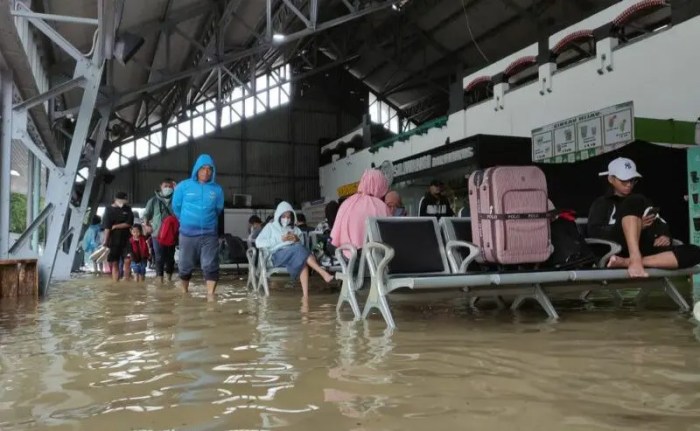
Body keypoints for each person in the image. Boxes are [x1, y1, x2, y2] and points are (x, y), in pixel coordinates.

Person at [588, 157, 700, 278]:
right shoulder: (602, 203)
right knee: (634, 200)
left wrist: (664, 236)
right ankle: (634, 258)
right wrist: (637, 227)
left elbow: (658, 222)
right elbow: (595, 234)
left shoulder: (642, 201)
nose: (629, 185)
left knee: (695, 252)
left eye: (632, 180)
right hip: (616, 249)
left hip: (642, 250)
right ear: (611, 179)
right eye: (624, 181)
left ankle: (629, 262)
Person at [255, 201, 335, 297]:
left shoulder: (295, 229)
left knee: (302, 260)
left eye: (289, 217)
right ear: (278, 215)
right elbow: (258, 242)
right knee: (300, 252)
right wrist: (280, 239)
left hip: (294, 254)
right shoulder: (270, 227)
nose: (286, 219)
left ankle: (305, 296)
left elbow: (301, 245)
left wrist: (297, 239)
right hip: (276, 256)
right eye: (284, 216)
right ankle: (322, 272)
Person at [173, 154, 225, 296]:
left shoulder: (217, 190)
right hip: (187, 234)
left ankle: (210, 297)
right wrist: (186, 221)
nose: (206, 172)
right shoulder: (184, 186)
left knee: (210, 265)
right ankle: (184, 292)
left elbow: (218, 209)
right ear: (197, 169)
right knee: (185, 265)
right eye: (203, 168)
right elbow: (176, 207)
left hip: (209, 234)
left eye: (209, 169)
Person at [331, 169, 392, 253]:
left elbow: (334, 241)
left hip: (349, 261)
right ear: (380, 185)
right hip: (378, 261)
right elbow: (391, 239)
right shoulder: (382, 207)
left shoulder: (346, 204)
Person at [143, 178, 176, 283]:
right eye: (165, 186)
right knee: (159, 258)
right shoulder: (153, 200)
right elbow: (146, 215)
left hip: (172, 234)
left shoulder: (177, 199)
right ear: (160, 186)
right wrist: (146, 225)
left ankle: (169, 278)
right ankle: (160, 280)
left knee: (170, 258)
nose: (168, 188)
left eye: (170, 186)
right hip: (157, 234)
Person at [102, 192, 134, 282]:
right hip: (113, 240)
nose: (125, 202)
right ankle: (116, 283)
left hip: (126, 239)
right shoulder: (108, 210)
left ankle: (126, 281)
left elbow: (129, 223)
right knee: (115, 262)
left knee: (127, 261)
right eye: (123, 200)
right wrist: (105, 241)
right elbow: (107, 227)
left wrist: (116, 226)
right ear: (116, 200)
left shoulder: (127, 209)